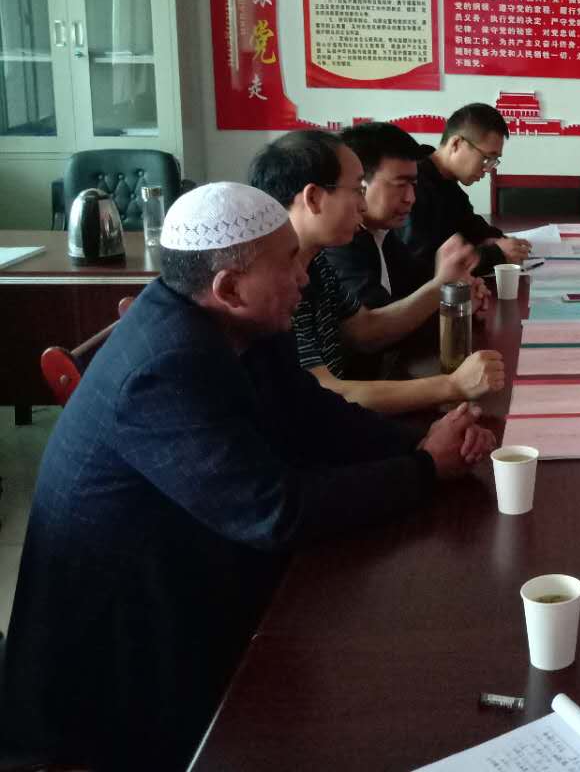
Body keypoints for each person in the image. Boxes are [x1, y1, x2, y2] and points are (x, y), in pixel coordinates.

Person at [0, 183, 494, 770]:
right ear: (230, 287)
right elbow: (274, 512)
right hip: (120, 668)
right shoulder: (163, 367)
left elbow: (316, 415)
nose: (305, 277)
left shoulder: (237, 320)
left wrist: (423, 439)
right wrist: (425, 469)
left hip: (200, 577)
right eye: (290, 263)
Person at [250, 130, 504, 415]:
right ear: (314, 198)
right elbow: (323, 391)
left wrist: (447, 289)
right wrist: (452, 386)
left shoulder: (317, 261)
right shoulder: (271, 284)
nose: (362, 204)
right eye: (357, 190)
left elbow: (360, 328)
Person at [325, 120, 489, 312]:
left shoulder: (383, 234)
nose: (410, 198)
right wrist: (443, 291)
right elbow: (373, 324)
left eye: (413, 185)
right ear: (360, 181)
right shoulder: (338, 243)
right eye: (400, 185)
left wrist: (462, 291)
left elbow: (417, 283)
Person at [393, 102, 532, 274]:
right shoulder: (415, 185)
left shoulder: (446, 181)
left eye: (493, 161)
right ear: (456, 144)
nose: (488, 169)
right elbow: (423, 263)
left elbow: (471, 226)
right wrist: (497, 254)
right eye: (487, 158)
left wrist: (501, 240)